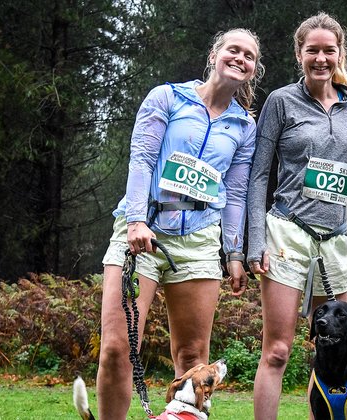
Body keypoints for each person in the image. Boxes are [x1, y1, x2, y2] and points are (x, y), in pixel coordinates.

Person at [95, 28, 263, 419]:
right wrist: (136, 219)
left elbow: (235, 195)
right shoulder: (167, 97)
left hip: (200, 243)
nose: (240, 58)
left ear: (254, 69)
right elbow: (142, 160)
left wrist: (234, 253)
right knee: (119, 348)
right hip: (143, 233)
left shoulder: (245, 127)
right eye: (232, 50)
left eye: (249, 56)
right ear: (214, 54)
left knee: (192, 356)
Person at [246, 12, 347, 419]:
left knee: (333, 348)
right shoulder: (281, 101)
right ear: (299, 53)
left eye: (329, 50)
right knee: (279, 350)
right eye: (312, 50)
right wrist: (253, 242)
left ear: (340, 54)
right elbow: (257, 177)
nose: (321, 58)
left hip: (336, 241)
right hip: (287, 233)